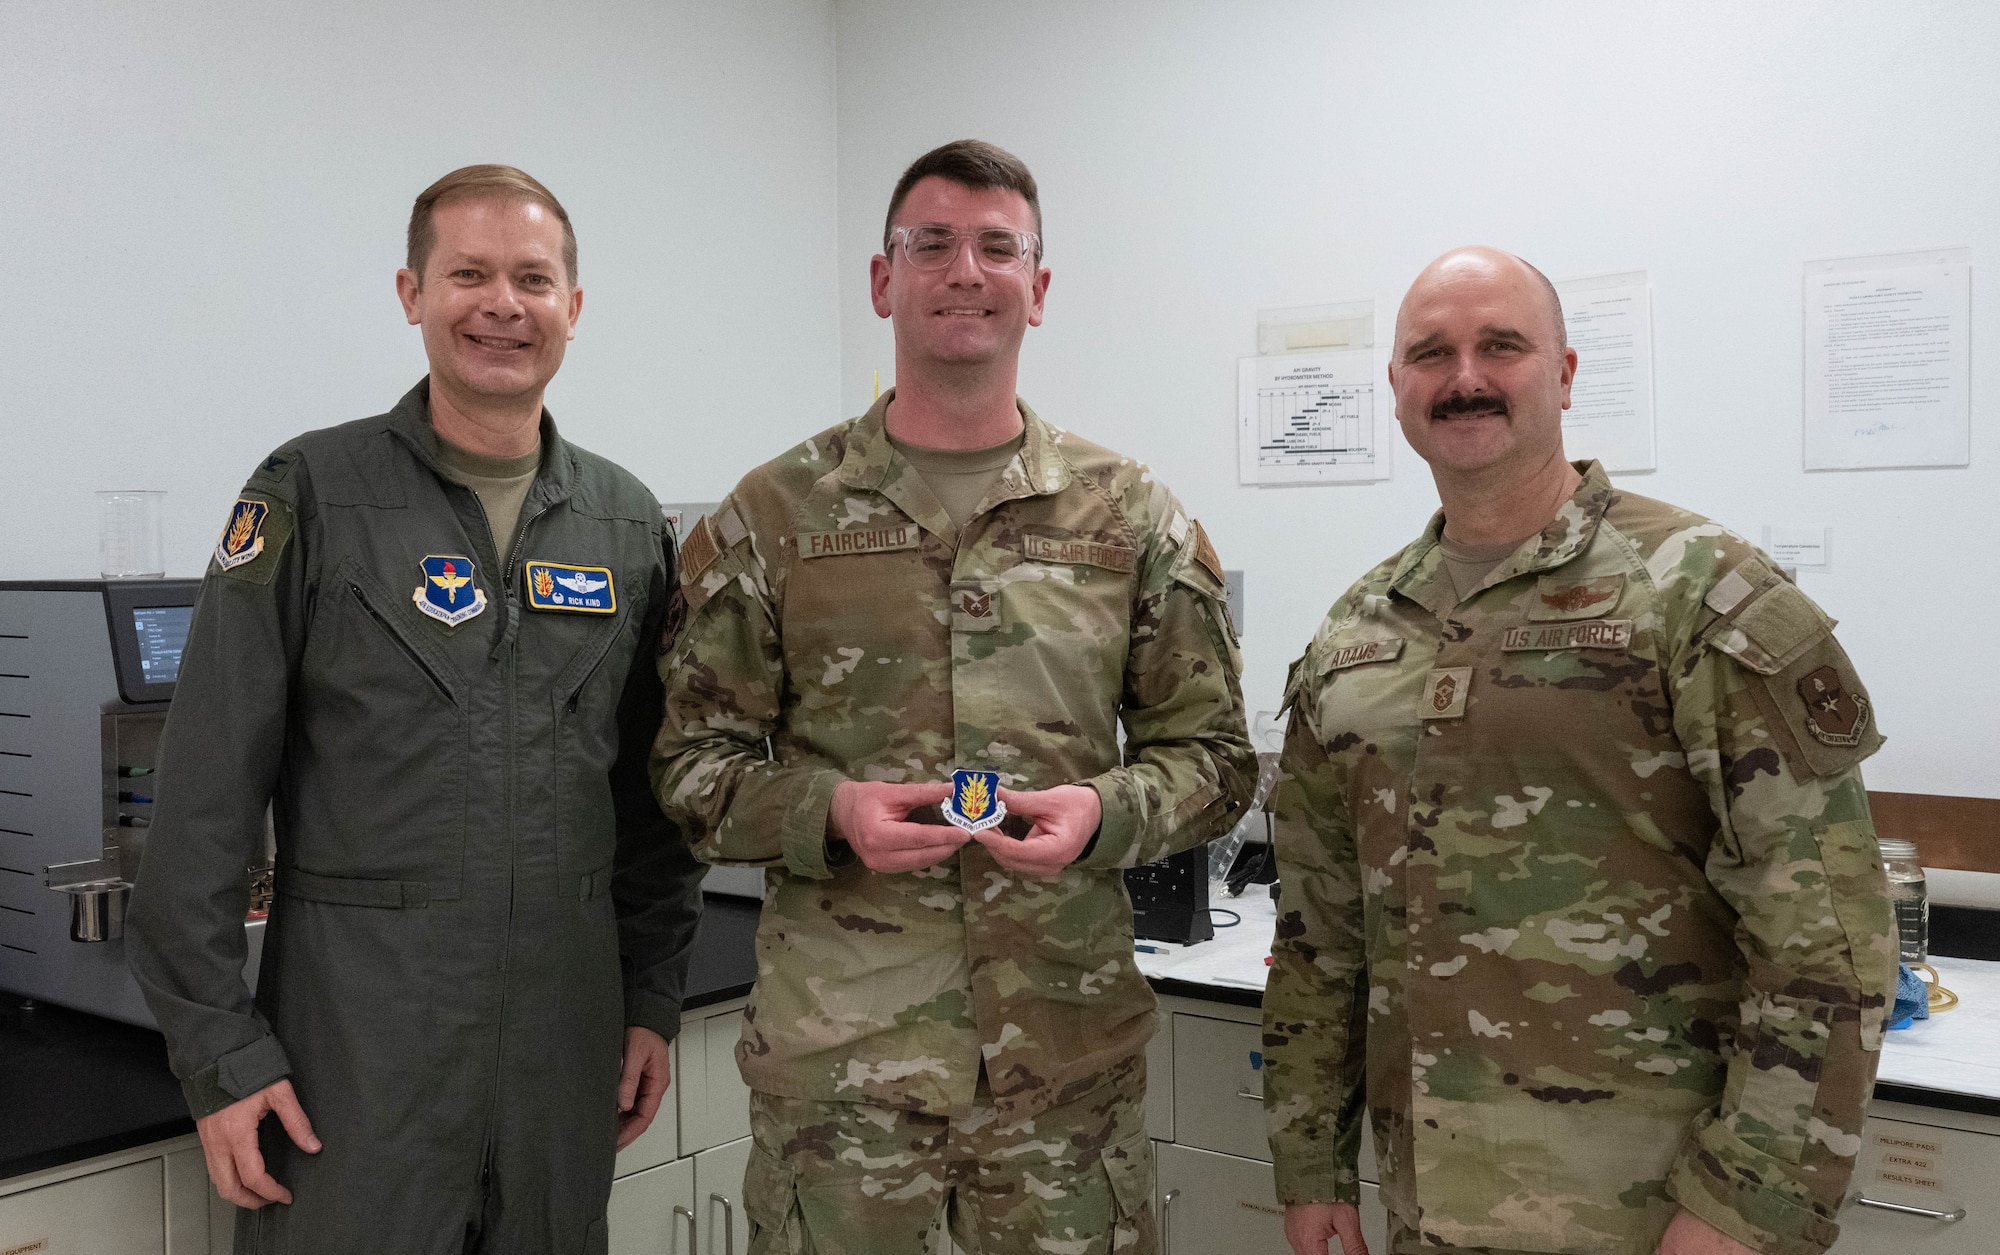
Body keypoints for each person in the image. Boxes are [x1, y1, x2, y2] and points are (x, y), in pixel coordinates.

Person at [650, 139, 1254, 1255]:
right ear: (883, 281)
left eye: (995, 246)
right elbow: (689, 770)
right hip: (842, 1069)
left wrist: (1104, 813)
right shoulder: (772, 515)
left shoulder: (1129, 517)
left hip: (1060, 1069)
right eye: (930, 244)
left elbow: (1214, 758)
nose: (963, 270)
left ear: (1039, 286)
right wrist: (827, 813)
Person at [1262, 246, 1895, 1255]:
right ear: (1394, 390)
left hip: (1651, 1216)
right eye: (1430, 353)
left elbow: (1828, 941)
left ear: (1560, 373)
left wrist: (1745, 1208)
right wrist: (1310, 1165)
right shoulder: (1354, 636)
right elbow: (1318, 941)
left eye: (1499, 346)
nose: (1463, 376)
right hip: (1424, 1208)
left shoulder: (1697, 593)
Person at [126, 164, 706, 1254]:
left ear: (572, 308)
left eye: (532, 277)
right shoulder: (313, 494)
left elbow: (653, 804)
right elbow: (203, 794)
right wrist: (218, 1055)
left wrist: (651, 1000)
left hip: (559, 1064)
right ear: (412, 293)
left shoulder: (626, 525)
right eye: (468, 273)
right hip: (356, 1073)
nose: (502, 303)